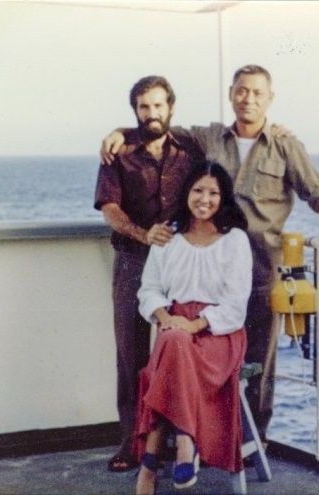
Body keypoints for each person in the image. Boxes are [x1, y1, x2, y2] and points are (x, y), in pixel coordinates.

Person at [101, 64, 319, 444]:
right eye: (242, 90)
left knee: (258, 362)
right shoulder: (209, 137)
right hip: (213, 270)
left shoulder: (285, 146)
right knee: (195, 354)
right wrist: (118, 132)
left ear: (270, 98)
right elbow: (157, 126)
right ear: (231, 94)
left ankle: (252, 440)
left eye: (257, 93)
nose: (248, 99)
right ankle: (186, 440)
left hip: (262, 270)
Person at [94, 75, 198, 472]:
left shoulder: (190, 148)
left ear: (171, 107)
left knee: (181, 347)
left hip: (181, 263)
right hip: (134, 261)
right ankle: (131, 444)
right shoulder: (118, 153)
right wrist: (143, 234)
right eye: (143, 107)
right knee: (131, 353)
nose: (151, 113)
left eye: (157, 105)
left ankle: (177, 439)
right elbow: (110, 208)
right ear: (135, 111)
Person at [134, 161, 252, 494]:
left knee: (172, 349)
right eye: (198, 190)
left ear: (223, 198)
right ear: (187, 192)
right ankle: (186, 443)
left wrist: (194, 324)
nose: (204, 199)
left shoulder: (234, 240)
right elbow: (148, 289)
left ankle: (150, 465)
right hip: (173, 327)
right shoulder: (168, 237)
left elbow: (235, 305)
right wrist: (165, 316)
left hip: (218, 334)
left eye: (213, 193)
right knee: (175, 342)